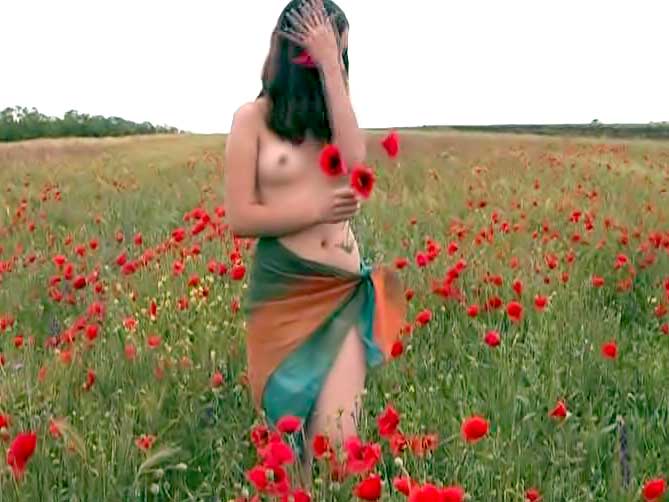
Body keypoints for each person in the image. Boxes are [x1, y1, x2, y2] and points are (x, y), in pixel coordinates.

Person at [224, 0, 406, 479]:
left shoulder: (334, 119)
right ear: (289, 48)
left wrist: (330, 68)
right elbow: (240, 216)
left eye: (339, 51)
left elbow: (354, 162)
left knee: (338, 451)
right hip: (284, 295)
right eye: (319, 48)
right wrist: (315, 211)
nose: (333, 58)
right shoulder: (252, 119)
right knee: (292, 459)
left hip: (342, 294)